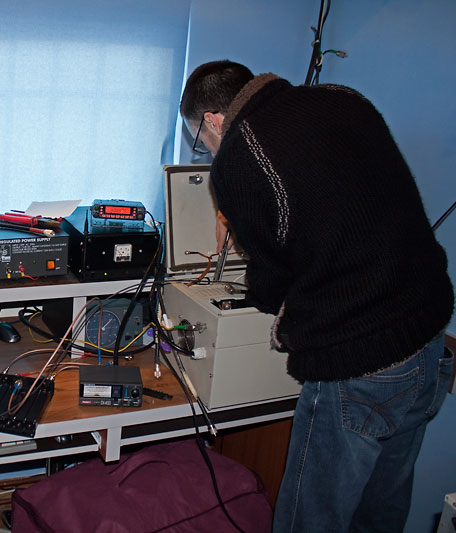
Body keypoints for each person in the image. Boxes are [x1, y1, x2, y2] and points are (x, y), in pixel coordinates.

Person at [179, 60, 454, 532]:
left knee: (311, 518)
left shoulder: (240, 157)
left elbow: (270, 288)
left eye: (200, 141)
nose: (207, 152)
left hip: (359, 357)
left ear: (214, 120)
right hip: (428, 336)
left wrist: (247, 241)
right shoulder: (342, 98)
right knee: (381, 513)